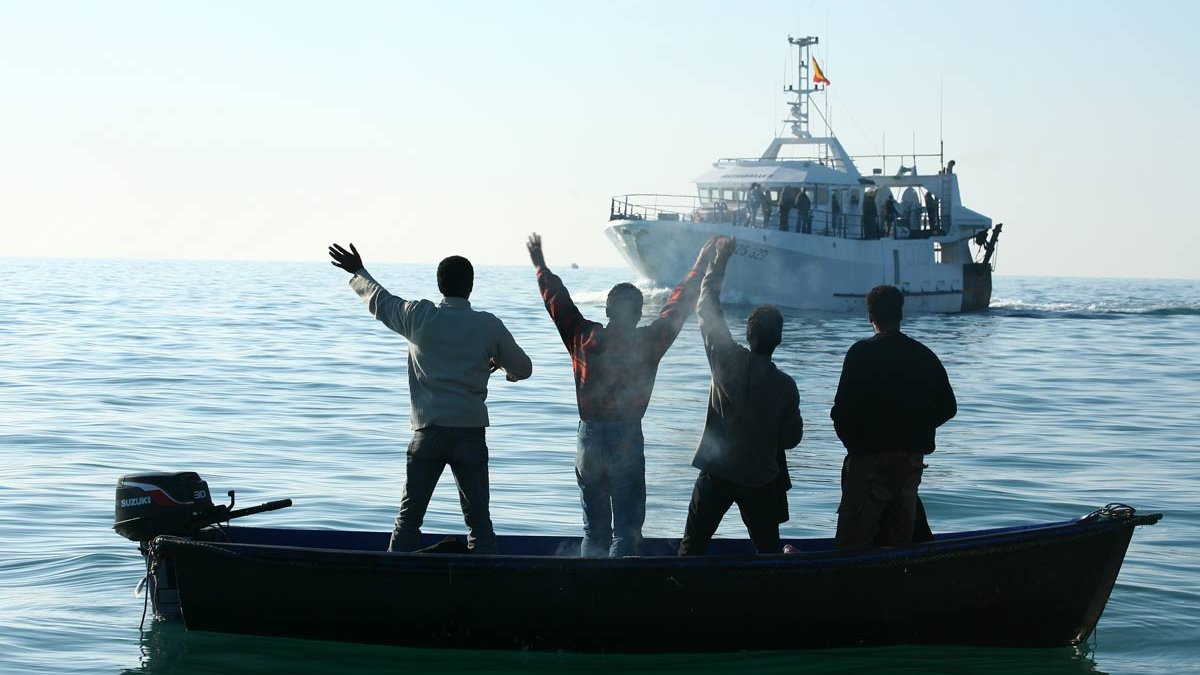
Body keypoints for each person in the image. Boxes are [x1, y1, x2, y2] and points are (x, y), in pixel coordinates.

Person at [328, 243, 532, 554]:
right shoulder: (488, 325)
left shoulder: (418, 316)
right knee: (479, 522)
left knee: (409, 520)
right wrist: (502, 368)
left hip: (428, 432)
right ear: (471, 286)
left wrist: (358, 270)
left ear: (440, 285)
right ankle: (486, 581)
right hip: (470, 433)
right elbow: (524, 368)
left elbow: (380, 300)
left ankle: (392, 579)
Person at [527, 233, 719, 557]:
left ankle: (591, 590)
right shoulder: (649, 342)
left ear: (606, 308)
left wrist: (540, 265)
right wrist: (702, 262)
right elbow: (679, 303)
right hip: (626, 437)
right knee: (626, 532)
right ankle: (618, 591)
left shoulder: (583, 338)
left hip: (588, 438)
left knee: (594, 531)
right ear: (640, 313)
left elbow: (557, 301)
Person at [678, 236, 803, 556]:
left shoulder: (726, 359)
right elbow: (790, 439)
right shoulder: (785, 386)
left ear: (748, 335)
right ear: (778, 341)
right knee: (769, 552)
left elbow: (706, 305)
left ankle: (679, 595)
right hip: (760, 480)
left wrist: (720, 260)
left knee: (692, 549)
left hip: (716, 472)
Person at [829, 285, 956, 549]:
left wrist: (857, 447)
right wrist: (914, 428)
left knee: (853, 547)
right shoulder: (924, 356)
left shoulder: (860, 354)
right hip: (909, 466)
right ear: (900, 315)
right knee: (901, 546)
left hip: (867, 465)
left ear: (870, 317)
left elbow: (841, 413)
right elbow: (948, 408)